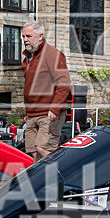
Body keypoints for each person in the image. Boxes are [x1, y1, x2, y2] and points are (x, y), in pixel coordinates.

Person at [21, 21, 71, 160]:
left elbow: (64, 83)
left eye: (28, 36)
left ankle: (62, 172)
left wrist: (55, 108)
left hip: (49, 113)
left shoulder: (53, 54)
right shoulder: (28, 59)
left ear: (40, 36)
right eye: (23, 36)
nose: (25, 39)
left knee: (43, 149)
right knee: (34, 152)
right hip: (32, 114)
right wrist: (28, 112)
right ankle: (43, 176)